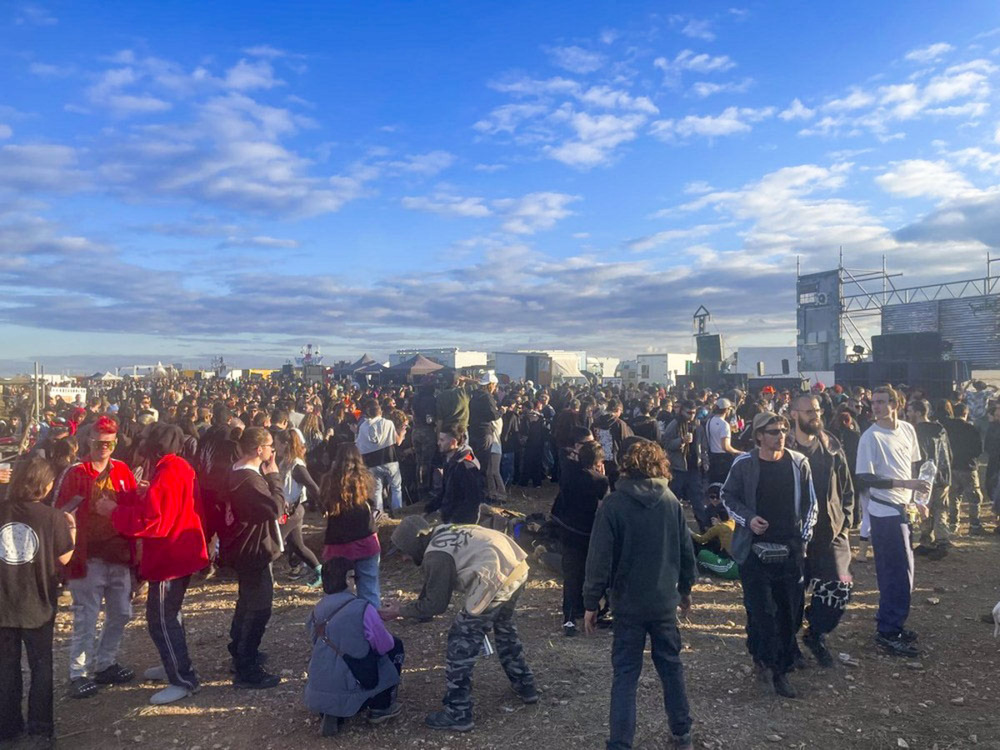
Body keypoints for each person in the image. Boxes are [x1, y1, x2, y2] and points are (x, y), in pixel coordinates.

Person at [582, 439, 695, 750]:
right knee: (671, 666)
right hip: (663, 603)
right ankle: (682, 731)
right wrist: (685, 589)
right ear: (661, 465)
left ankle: (620, 743)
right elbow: (686, 551)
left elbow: (599, 559)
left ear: (626, 466)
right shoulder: (671, 501)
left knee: (626, 675)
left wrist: (590, 603)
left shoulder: (614, 505)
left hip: (627, 604)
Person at [382, 515, 537, 732]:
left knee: (460, 644)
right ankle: (526, 686)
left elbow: (436, 605)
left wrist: (399, 611)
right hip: (516, 566)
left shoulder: (436, 556)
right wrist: (410, 607)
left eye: (403, 553)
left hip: (495, 576)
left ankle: (458, 712)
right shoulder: (441, 532)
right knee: (504, 629)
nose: (403, 559)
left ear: (413, 543)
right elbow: (432, 586)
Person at [96, 423, 209, 704]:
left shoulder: (168, 472)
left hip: (169, 558)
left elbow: (154, 522)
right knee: (170, 616)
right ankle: (173, 663)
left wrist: (114, 511)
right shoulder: (177, 466)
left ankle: (182, 679)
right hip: (182, 553)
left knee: (161, 620)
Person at [721, 412, 817, 699]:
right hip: (754, 548)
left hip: (789, 548)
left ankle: (781, 666)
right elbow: (727, 496)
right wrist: (748, 519)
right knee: (762, 610)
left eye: (783, 430)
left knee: (789, 612)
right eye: (773, 431)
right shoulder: (744, 464)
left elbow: (812, 504)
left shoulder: (799, 463)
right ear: (759, 435)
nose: (780, 435)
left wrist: (804, 540)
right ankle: (767, 663)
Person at [55, 415, 138, 699]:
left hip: (118, 555)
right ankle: (78, 673)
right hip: (87, 557)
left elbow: (134, 507)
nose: (104, 447)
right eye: (99, 442)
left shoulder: (123, 470)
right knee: (86, 617)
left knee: (121, 613)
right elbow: (59, 512)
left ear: (115, 443)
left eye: (109, 442)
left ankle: (105, 664)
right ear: (89, 441)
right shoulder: (75, 473)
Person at [0, 458, 75, 746]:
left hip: (4, 602)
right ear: (45, 485)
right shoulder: (52, 516)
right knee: (41, 666)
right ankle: (40, 729)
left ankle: (7, 729)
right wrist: (73, 528)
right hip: (39, 604)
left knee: (6, 667)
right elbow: (64, 557)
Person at [855, 386, 930, 658]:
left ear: (895, 404)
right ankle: (888, 630)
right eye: (874, 402)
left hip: (903, 509)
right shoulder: (870, 437)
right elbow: (864, 477)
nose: (876, 407)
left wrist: (918, 500)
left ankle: (894, 624)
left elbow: (912, 468)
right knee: (894, 573)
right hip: (884, 511)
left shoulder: (908, 430)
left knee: (906, 572)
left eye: (882, 402)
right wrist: (903, 484)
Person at [786, 394, 855, 668]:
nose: (815, 414)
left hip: (831, 532)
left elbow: (847, 488)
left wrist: (846, 521)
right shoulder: (784, 447)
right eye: (808, 411)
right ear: (794, 414)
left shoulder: (832, 446)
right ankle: (788, 646)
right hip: (794, 534)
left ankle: (815, 633)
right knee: (791, 594)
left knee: (841, 586)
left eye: (817, 409)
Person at [305, 557, 404, 736]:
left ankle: (332, 712)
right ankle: (381, 706)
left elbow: (315, 642)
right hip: (354, 683)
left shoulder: (317, 609)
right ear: (347, 579)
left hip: (318, 689)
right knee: (396, 646)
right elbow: (385, 645)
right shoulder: (362, 608)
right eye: (353, 578)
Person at [219, 426, 286, 689]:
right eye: (270, 446)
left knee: (246, 601)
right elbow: (275, 508)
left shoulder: (236, 471)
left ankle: (239, 649)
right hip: (253, 548)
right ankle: (247, 667)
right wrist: (275, 478)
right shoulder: (251, 480)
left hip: (243, 545)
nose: (273, 451)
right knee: (259, 607)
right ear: (260, 450)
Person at [551, 439, 608, 637]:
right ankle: (586, 609)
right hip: (588, 532)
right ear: (598, 462)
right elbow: (603, 508)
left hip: (568, 529)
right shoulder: (600, 481)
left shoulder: (569, 473)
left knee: (570, 575)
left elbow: (565, 450)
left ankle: (568, 616)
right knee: (587, 572)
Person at [320, 443, 382, 608]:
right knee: (369, 589)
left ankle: (341, 622)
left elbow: (323, 506)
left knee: (337, 591)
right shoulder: (366, 478)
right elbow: (372, 502)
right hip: (366, 540)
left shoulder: (328, 481)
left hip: (338, 543)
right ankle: (371, 625)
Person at [905, 399, 953, 558]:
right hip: (943, 475)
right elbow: (948, 453)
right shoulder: (941, 429)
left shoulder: (916, 432)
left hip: (925, 477)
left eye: (910, 411)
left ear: (918, 412)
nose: (907, 413)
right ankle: (936, 541)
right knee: (939, 508)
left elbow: (917, 457)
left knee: (926, 508)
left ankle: (935, 541)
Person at [275, 430, 323, 586]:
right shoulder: (285, 462)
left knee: (275, 544)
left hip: (293, 511)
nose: (275, 447)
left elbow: (313, 487)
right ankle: (319, 571)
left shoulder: (296, 466)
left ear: (285, 444)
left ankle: (264, 579)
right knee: (297, 545)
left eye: (277, 443)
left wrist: (324, 507)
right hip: (289, 510)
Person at [662, 400, 709, 529]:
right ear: (682, 411)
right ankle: (671, 527)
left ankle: (704, 529)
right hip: (678, 468)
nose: (692, 415)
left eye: (694, 412)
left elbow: (703, 446)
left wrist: (705, 461)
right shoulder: (674, 424)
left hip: (694, 468)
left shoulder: (698, 426)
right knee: (673, 500)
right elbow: (666, 444)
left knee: (698, 501)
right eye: (689, 412)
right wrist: (681, 441)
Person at [943, 402, 987, 535]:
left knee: (954, 496)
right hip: (968, 467)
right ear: (966, 413)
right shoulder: (971, 429)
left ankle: (953, 524)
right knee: (974, 497)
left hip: (952, 467)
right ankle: (974, 525)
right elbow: (978, 449)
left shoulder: (946, 428)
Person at [425, 424, 483, 524]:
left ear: (453, 442)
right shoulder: (450, 460)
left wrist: (454, 523)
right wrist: (428, 509)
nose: (438, 443)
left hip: (461, 523)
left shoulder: (466, 466)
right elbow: (446, 492)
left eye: (442, 440)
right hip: (449, 519)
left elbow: (472, 502)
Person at [355, 400, 403, 516]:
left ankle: (378, 514)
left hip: (372, 462)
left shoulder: (363, 427)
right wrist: (402, 432)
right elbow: (398, 441)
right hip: (389, 459)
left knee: (377, 490)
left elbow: (359, 445)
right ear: (380, 412)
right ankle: (398, 512)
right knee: (396, 487)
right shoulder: (388, 423)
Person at [468, 371, 505, 504]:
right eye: (494, 385)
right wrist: (502, 411)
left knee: (475, 462)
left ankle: (476, 492)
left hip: (473, 432)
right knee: (484, 464)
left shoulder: (474, 397)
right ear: (490, 385)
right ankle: (483, 495)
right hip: (484, 432)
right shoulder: (487, 397)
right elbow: (493, 415)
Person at [593, 398, 634, 490]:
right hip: (614, 460)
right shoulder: (620, 424)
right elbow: (626, 440)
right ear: (618, 409)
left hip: (598, 458)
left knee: (599, 486)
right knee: (614, 487)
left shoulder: (596, 421)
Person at [706, 398, 742, 485]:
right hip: (723, 460)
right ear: (727, 410)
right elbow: (726, 447)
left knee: (713, 485)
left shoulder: (709, 421)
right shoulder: (724, 424)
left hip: (712, 456)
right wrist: (739, 452)